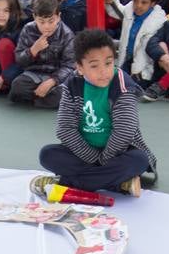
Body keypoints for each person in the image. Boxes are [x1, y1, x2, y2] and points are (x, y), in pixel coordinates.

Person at [34, 28, 155, 197]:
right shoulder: (73, 85)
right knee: (47, 154)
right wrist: (93, 158)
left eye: (108, 63)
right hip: (84, 153)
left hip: (120, 153)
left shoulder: (122, 84)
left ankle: (67, 183)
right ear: (80, 68)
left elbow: (125, 130)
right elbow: (65, 129)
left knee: (139, 160)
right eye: (94, 65)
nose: (104, 71)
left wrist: (104, 159)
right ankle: (119, 184)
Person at [8, 0, 75, 109]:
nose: (46, 26)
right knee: (17, 87)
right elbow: (19, 60)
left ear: (58, 16)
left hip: (56, 78)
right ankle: (42, 99)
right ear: (34, 17)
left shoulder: (67, 34)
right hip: (34, 75)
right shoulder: (28, 29)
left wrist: (52, 81)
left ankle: (36, 100)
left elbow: (69, 66)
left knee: (62, 95)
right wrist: (34, 49)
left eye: (51, 21)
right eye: (41, 22)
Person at [109, 0, 165, 86]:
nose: (138, 5)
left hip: (144, 68)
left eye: (144, 2)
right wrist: (110, 0)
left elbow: (145, 53)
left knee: (125, 86)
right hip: (127, 60)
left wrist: (137, 73)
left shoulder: (158, 22)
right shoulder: (129, 10)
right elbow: (118, 10)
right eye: (135, 0)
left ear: (153, 3)